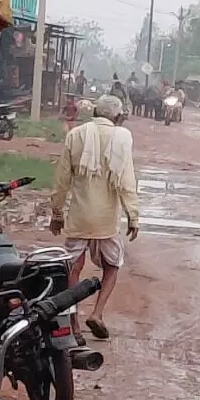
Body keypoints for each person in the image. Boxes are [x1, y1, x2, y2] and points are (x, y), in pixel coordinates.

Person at [50, 94, 139, 341]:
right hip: (106, 220)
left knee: (73, 269)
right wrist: (133, 215)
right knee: (112, 267)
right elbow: (126, 181)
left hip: (79, 215)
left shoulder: (75, 135)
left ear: (94, 113)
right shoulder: (123, 137)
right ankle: (97, 314)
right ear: (118, 117)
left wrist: (57, 213)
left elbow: (62, 180)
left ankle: (74, 324)